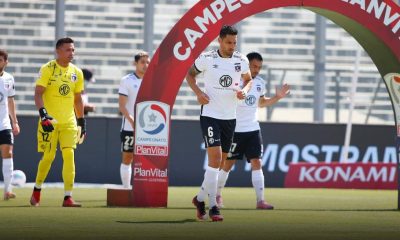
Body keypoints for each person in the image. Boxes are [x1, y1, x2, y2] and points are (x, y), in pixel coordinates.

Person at [186, 25, 252, 222]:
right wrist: (198, 93)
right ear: (220, 41)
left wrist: (245, 90)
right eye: (228, 42)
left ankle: (199, 199)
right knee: (215, 159)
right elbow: (190, 75)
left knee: (220, 162)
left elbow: (248, 80)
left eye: (234, 43)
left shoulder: (242, 60)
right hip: (210, 115)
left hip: (230, 117)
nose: (232, 46)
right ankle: (213, 206)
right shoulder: (207, 58)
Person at [217, 52, 290, 210]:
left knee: (257, 162)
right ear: (246, 65)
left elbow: (261, 103)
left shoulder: (260, 83)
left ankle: (260, 200)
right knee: (227, 164)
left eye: (259, 67)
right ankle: (217, 194)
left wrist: (277, 97)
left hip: (252, 130)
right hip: (234, 131)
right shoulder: (233, 80)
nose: (256, 70)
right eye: (254, 66)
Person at [30, 37, 86, 207]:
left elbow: (77, 100)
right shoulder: (47, 69)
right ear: (58, 51)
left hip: (69, 122)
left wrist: (82, 122)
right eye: (68, 50)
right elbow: (38, 94)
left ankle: (68, 197)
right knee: (49, 157)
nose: (72, 53)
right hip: (49, 122)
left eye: (73, 50)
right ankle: (37, 190)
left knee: (69, 155)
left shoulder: (77, 72)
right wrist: (43, 114)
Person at [118, 51, 150, 188]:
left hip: (149, 128)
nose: (146, 65)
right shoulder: (127, 80)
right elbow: (122, 106)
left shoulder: (153, 80)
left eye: (148, 62)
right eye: (142, 62)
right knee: (127, 157)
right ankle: (126, 188)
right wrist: (133, 122)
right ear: (135, 63)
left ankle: (144, 188)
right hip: (130, 127)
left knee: (147, 159)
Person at [0, 49, 20, 200]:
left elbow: (11, 101)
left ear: (6, 62)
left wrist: (15, 122)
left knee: (9, 153)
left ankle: (7, 190)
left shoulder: (9, 79)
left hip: (4, 124)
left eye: (1, 60)